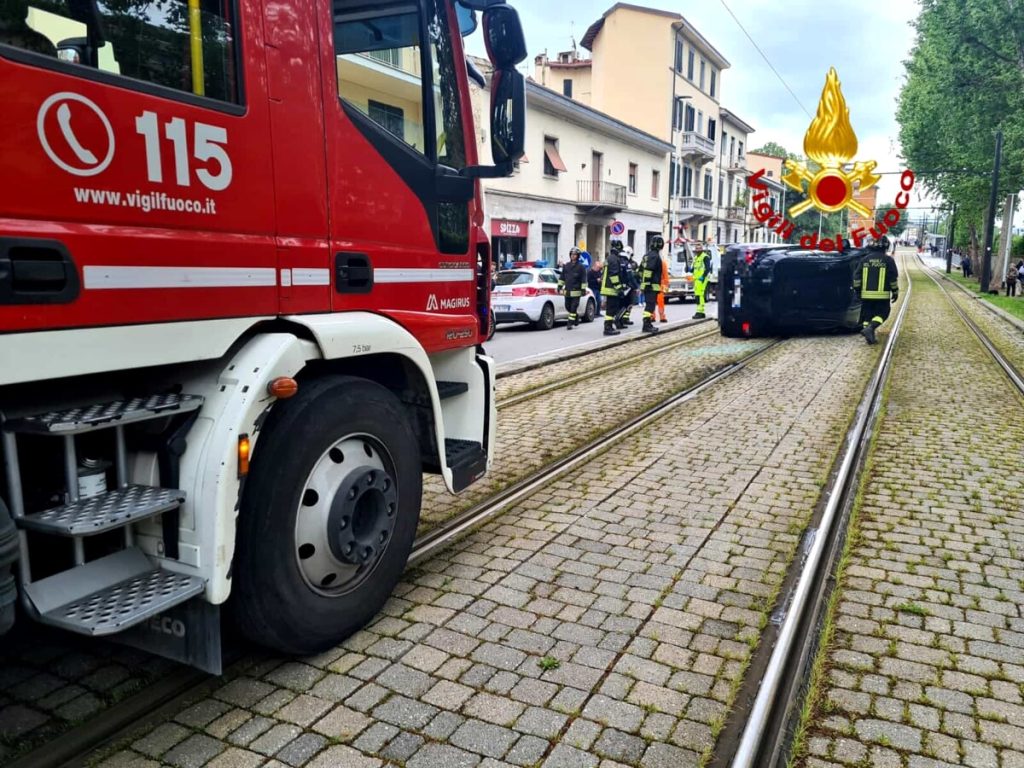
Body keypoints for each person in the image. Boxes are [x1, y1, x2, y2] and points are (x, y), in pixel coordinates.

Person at [856, 237, 900, 345]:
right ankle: (871, 328)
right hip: (882, 295)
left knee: (867, 316)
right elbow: (893, 278)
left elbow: (857, 277)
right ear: (886, 246)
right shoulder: (888, 260)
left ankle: (869, 334)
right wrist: (895, 292)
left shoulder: (864, 260)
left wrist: (857, 291)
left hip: (866, 295)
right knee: (883, 313)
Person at [639, 235, 665, 334]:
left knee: (650, 306)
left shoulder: (646, 255)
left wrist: (643, 282)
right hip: (651, 286)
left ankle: (648, 324)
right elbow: (648, 271)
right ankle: (646, 325)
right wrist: (648, 283)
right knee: (650, 306)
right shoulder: (655, 256)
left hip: (647, 285)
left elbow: (640, 271)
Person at [601, 241, 625, 336]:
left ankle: (608, 326)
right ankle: (608, 327)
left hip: (608, 287)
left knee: (610, 309)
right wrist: (619, 288)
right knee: (611, 309)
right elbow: (614, 275)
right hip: (611, 288)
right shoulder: (614, 259)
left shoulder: (609, 258)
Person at [561, 248, 588, 329]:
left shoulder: (581, 267)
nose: (573, 256)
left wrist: (583, 289)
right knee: (567, 307)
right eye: (572, 254)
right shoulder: (566, 266)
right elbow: (562, 277)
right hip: (567, 291)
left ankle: (570, 323)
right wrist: (559, 286)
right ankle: (576, 317)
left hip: (576, 291)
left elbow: (584, 279)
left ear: (578, 256)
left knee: (573, 308)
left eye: (575, 254)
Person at [616, 247, 640, 328]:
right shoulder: (627, 263)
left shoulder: (617, 261)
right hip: (626, 288)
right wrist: (636, 287)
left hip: (617, 286)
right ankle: (618, 320)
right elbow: (630, 276)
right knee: (626, 305)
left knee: (620, 305)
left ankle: (619, 320)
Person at [691, 243, 711, 319]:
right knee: (697, 295)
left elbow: (708, 268)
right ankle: (700, 312)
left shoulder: (705, 257)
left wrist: (703, 277)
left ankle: (700, 311)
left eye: (699, 248)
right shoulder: (696, 258)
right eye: (696, 248)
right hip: (696, 279)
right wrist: (689, 269)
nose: (698, 250)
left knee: (699, 295)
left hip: (702, 279)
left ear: (702, 249)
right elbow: (693, 268)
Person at [657, 247, 670, 322]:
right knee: (660, 302)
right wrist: (666, 285)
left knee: (651, 302)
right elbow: (665, 275)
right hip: (659, 285)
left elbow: (665, 275)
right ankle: (661, 317)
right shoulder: (662, 263)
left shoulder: (662, 263)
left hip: (657, 285)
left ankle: (652, 317)